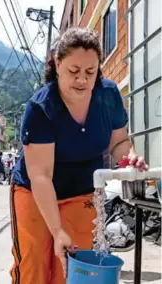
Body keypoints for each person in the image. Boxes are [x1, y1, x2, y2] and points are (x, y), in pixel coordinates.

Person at [9, 27, 147, 284]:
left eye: (90, 72)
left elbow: (119, 142)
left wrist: (129, 158)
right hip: (35, 191)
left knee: (74, 267)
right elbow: (41, 176)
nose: (82, 80)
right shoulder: (41, 108)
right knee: (33, 266)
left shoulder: (108, 95)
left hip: (82, 192)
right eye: (74, 71)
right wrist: (57, 230)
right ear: (58, 63)